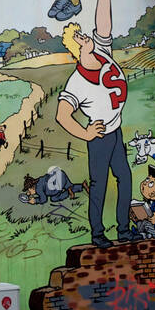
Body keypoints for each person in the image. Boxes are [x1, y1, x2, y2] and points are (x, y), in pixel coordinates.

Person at [55, 22, 131, 249]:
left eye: (82, 33)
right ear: (75, 49)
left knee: (125, 178)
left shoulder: (102, 55)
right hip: (100, 138)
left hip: (115, 130)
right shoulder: (77, 82)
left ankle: (124, 230)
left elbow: (104, 23)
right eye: (77, 37)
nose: (84, 37)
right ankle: (98, 234)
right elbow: (62, 115)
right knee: (99, 185)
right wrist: (86, 133)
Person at [131, 167, 155, 239]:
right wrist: (135, 217)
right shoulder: (144, 203)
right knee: (140, 223)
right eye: (147, 179)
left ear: (153, 194)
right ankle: (142, 233)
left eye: (151, 184)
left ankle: (148, 234)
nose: (145, 182)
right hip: (146, 224)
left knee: (146, 224)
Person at [20, 169, 89, 205]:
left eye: (29, 191)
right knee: (68, 186)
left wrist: (35, 201)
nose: (29, 192)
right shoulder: (39, 180)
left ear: (32, 187)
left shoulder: (38, 189)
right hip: (60, 174)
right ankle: (82, 186)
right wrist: (30, 194)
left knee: (54, 198)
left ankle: (68, 192)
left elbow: (44, 199)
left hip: (57, 184)